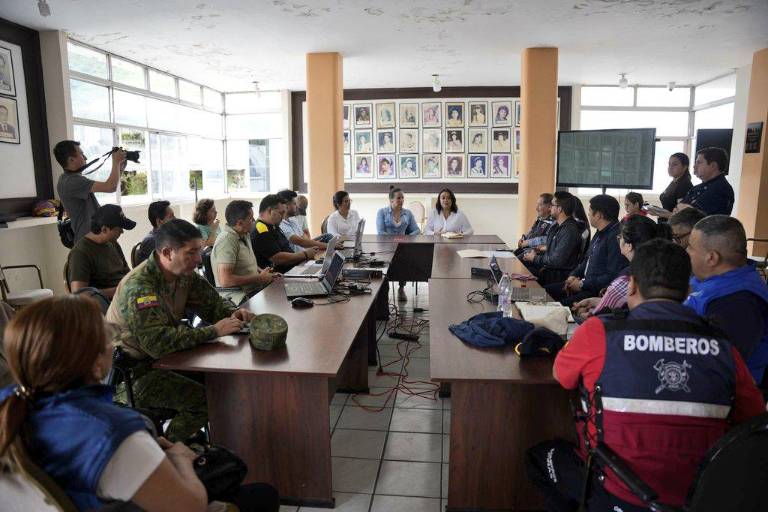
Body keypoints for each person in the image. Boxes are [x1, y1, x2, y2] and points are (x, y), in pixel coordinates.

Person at [527, 239, 765, 511]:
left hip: (618, 491)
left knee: (539, 458)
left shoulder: (600, 332)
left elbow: (562, 376)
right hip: (700, 496)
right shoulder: (723, 345)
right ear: (688, 291)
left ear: (631, 285)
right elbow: (753, 422)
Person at [0, 296, 279, 512]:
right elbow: (190, 506)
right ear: (96, 362)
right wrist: (181, 459)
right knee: (262, 495)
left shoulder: (12, 405)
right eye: (109, 338)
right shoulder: (112, 433)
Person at [106, 219, 255, 442]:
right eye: (191, 253)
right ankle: (168, 452)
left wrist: (233, 313)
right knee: (205, 402)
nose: (198, 259)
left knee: (225, 383)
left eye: (200, 251)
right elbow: (158, 344)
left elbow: (213, 304)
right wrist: (214, 331)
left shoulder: (184, 274)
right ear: (167, 252)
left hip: (170, 360)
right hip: (135, 374)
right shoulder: (139, 288)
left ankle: (229, 446)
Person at [685, 215, 768, 386]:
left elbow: (716, 366)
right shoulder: (709, 278)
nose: (686, 251)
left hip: (720, 398)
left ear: (712, 258)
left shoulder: (739, 302)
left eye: (691, 247)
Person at [572, 215, 671, 320]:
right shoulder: (657, 268)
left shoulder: (625, 279)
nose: (618, 240)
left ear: (629, 245)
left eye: (620, 237)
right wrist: (595, 301)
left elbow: (595, 318)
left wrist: (579, 315)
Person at [545, 195, 627, 306]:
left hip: (593, 292)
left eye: (590, 211)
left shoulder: (615, 238)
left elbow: (611, 276)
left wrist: (582, 284)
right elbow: (586, 260)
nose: (588, 214)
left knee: (552, 306)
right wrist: (572, 276)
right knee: (541, 292)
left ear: (598, 215)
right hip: (583, 285)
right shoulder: (600, 232)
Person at [55, 140, 127, 242]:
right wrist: (116, 162)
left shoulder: (68, 179)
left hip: (92, 238)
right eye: (81, 154)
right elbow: (110, 187)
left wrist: (119, 168)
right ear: (71, 160)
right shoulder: (71, 181)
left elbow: (110, 185)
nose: (85, 158)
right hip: (89, 241)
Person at [211, 200, 277, 304]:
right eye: (251, 219)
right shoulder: (227, 240)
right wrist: (259, 278)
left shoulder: (244, 234)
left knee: (280, 292)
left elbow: (247, 266)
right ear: (240, 223)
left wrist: (264, 274)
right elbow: (225, 280)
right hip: (238, 297)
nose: (254, 221)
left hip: (253, 290)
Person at [68, 204, 134, 299]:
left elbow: (126, 273)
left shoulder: (113, 243)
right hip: (107, 304)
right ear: (104, 229)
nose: (122, 232)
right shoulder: (80, 253)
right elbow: (79, 294)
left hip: (126, 296)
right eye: (119, 229)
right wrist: (119, 291)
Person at [521, 192, 582, 284]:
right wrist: (537, 252)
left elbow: (557, 261)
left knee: (521, 274)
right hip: (548, 268)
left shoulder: (569, 231)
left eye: (552, 205)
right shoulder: (557, 225)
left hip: (555, 275)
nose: (550, 208)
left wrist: (535, 258)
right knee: (520, 265)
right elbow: (551, 249)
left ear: (559, 209)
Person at [251, 194, 316, 274]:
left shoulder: (273, 226)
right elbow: (278, 258)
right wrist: (305, 254)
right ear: (270, 211)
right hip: (279, 276)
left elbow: (286, 248)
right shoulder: (261, 229)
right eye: (281, 213)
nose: (283, 216)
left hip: (292, 269)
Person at [377, 187, 421, 301]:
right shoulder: (382, 212)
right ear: (391, 200)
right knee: (385, 264)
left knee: (405, 259)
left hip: (403, 246)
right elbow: (380, 232)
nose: (401, 200)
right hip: (386, 246)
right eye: (398, 198)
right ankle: (383, 291)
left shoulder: (408, 213)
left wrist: (406, 237)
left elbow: (416, 230)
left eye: (402, 198)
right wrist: (393, 239)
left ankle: (401, 288)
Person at [679, 147, 734, 215]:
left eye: (699, 163)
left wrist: (684, 208)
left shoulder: (721, 189)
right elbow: (679, 208)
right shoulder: (697, 187)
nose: (694, 166)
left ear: (713, 166)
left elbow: (691, 214)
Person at [136, 200, 175, 265]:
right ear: (159, 221)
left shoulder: (165, 237)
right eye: (171, 217)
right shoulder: (151, 242)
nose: (175, 219)